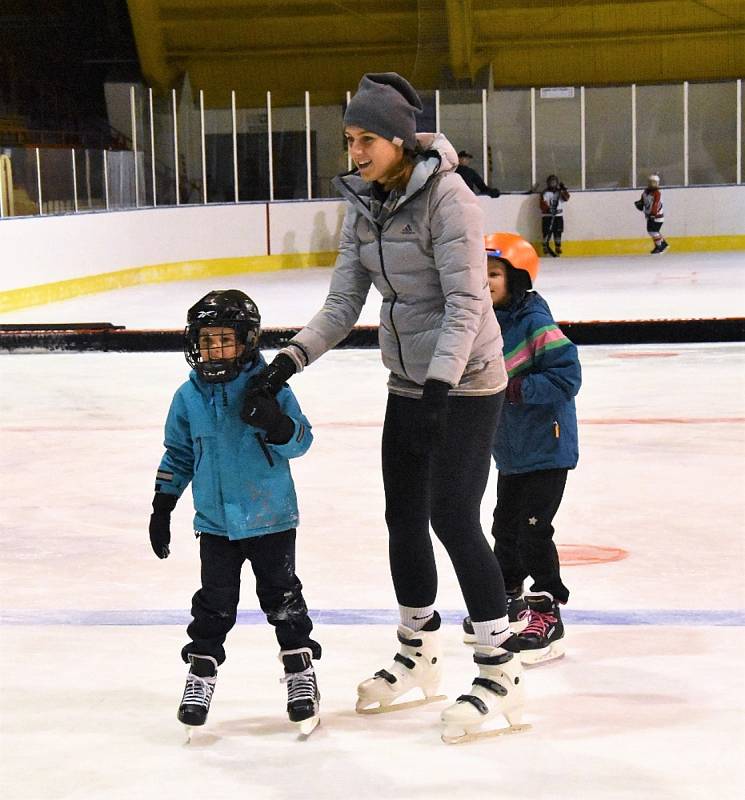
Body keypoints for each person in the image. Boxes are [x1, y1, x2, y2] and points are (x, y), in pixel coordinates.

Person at [244, 72, 525, 744]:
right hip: (409, 380)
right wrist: (289, 362)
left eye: (365, 138)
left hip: (468, 377)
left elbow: (466, 304)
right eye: (349, 140)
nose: (355, 152)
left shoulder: (449, 201)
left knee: (451, 513)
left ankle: (499, 667)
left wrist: (438, 390)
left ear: (400, 140)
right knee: (402, 514)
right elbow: (344, 303)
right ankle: (418, 649)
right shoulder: (366, 203)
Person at [148, 289, 321, 737]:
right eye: (206, 341)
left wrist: (276, 423)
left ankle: (300, 671)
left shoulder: (270, 388)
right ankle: (201, 674)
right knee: (214, 603)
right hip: (215, 524)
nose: (214, 350)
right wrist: (163, 504)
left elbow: (301, 441)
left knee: (282, 597)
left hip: (272, 519)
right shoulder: (187, 398)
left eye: (223, 340)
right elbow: (179, 455)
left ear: (245, 341)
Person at [464, 232, 580, 665]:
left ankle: (547, 611)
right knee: (504, 529)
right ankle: (506, 600)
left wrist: (514, 389)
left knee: (533, 531)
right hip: (510, 452)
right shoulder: (482, 321)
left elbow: (568, 378)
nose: (485, 281)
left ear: (518, 278)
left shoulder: (534, 323)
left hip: (547, 449)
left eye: (493, 274)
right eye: (481, 273)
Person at [635, 174, 669, 254]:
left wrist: (653, 213)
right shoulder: (645, 192)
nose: (652, 184)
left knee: (652, 231)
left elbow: (656, 204)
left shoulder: (657, 193)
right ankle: (663, 244)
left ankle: (660, 246)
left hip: (657, 216)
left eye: (654, 182)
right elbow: (642, 200)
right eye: (651, 182)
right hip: (649, 215)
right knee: (653, 231)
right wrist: (639, 204)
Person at [539, 174, 570, 257]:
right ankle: (546, 246)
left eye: (554, 182)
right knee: (546, 232)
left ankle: (558, 246)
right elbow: (542, 204)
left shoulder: (559, 191)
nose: (552, 184)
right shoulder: (544, 193)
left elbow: (566, 198)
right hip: (547, 216)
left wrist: (564, 189)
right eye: (551, 182)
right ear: (548, 183)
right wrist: (548, 209)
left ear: (557, 183)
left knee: (558, 232)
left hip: (558, 216)